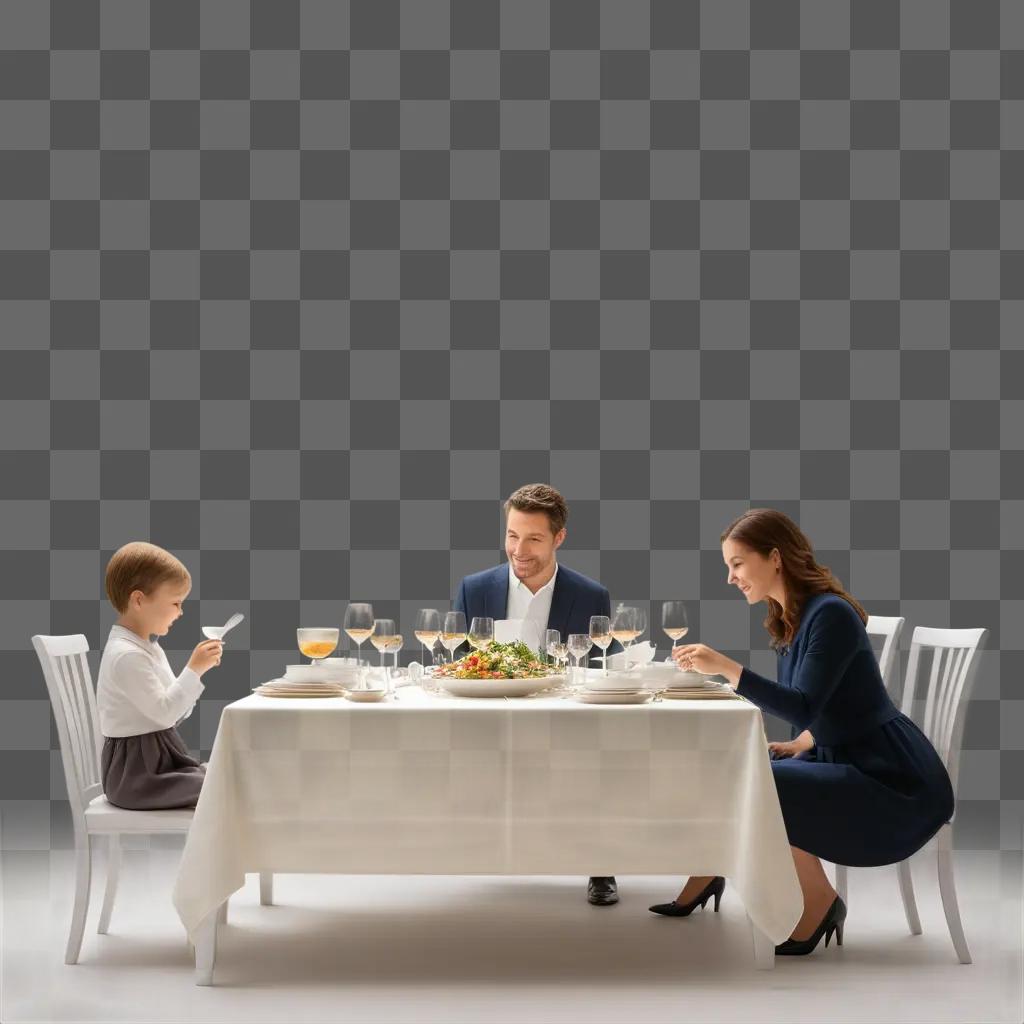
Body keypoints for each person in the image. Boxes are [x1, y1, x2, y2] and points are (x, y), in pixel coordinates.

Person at [650, 508, 954, 956]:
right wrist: (802, 742)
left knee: (757, 780)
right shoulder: (795, 616)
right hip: (847, 757)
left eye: (737, 564)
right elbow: (834, 704)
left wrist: (729, 670)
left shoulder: (829, 615)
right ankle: (709, 868)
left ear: (774, 557)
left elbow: (803, 704)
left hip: (892, 783)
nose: (731, 578)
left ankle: (819, 902)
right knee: (739, 765)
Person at [453, 482, 622, 907]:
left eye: (533, 538)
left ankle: (601, 864)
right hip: (488, 716)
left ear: (558, 538)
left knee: (604, 748)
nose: (519, 549)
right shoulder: (474, 589)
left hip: (566, 718)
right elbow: (455, 660)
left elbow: (603, 665)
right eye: (512, 535)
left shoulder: (590, 595)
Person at [97, 542, 224, 810]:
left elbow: (175, 713)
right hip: (136, 775)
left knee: (228, 777)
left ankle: (220, 851)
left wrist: (196, 672)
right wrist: (194, 669)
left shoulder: (148, 647)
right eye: (176, 602)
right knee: (225, 784)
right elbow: (166, 713)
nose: (180, 612)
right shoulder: (127, 656)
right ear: (139, 600)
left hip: (158, 761)